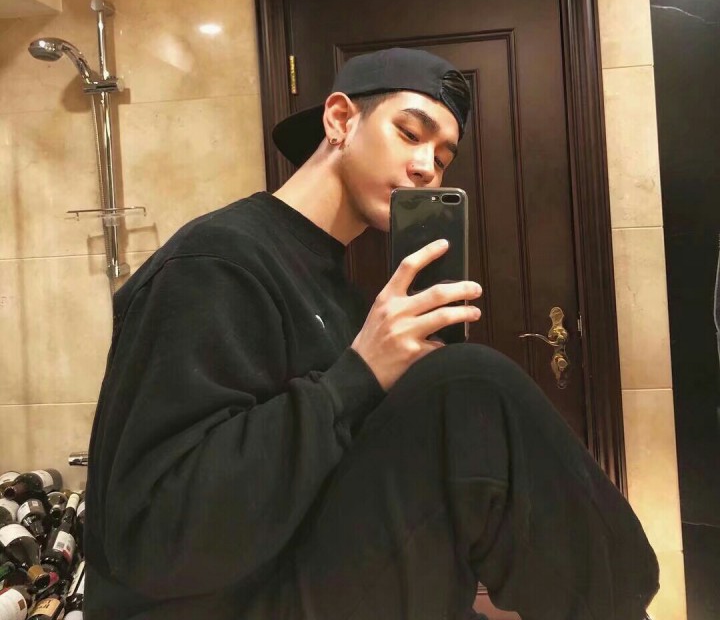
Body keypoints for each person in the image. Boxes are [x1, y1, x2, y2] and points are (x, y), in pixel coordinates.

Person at [84, 47, 659, 620]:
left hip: (288, 577)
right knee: (470, 383)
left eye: (442, 157)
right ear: (340, 119)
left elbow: (363, 491)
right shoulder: (216, 262)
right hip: (213, 604)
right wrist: (357, 376)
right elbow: (154, 533)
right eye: (409, 133)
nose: (426, 167)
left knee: (450, 386)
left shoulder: (346, 297)